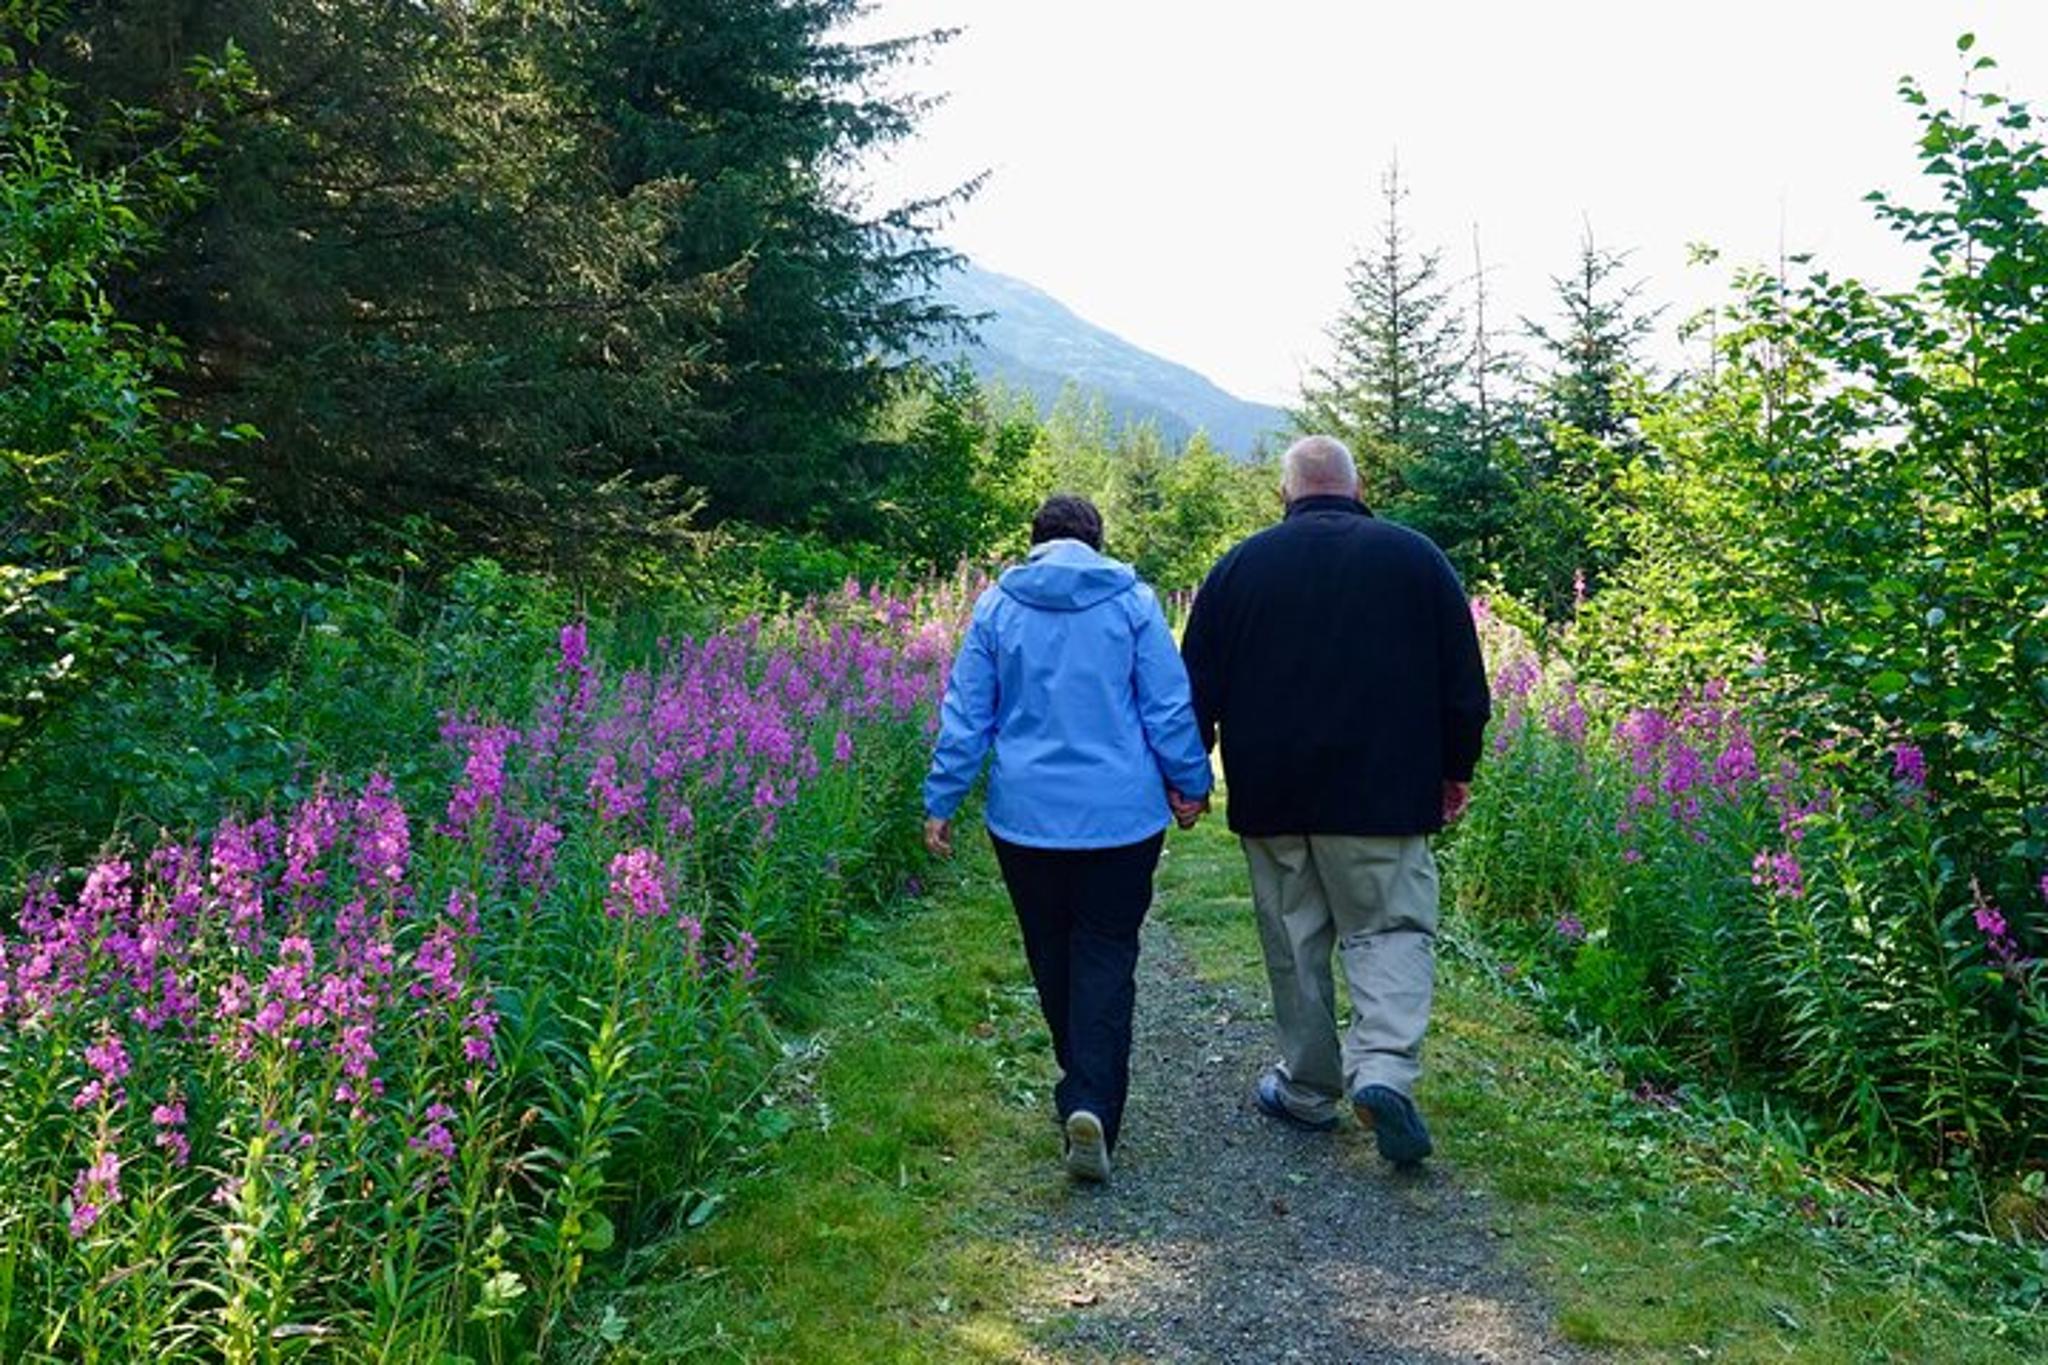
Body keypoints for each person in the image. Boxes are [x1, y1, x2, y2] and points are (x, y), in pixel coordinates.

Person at [1177, 435, 1489, 1166]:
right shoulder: (1416, 558)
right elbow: (1464, 682)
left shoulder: (1239, 567)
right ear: (1358, 487)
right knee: (1390, 931)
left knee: (1295, 942)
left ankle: (1309, 1088)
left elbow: (1194, 686)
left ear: (1284, 495)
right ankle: (1382, 1072)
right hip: (1386, 794)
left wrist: (1190, 771)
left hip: (1273, 794)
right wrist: (1456, 766)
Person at [924, 494, 1213, 1183]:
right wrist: (1191, 783)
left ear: (1036, 541)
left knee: (1050, 951)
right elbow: (1168, 705)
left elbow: (968, 714)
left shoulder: (997, 607)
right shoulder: (1134, 603)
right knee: (1107, 952)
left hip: (1025, 819)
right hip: (1121, 819)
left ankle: (1079, 1086)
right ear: (1096, 540)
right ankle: (1091, 1101)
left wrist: (941, 799)